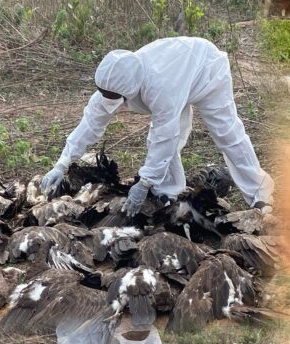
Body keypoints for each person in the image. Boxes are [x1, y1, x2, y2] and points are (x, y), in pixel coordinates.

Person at [41, 37, 274, 216]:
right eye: (105, 94)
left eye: (114, 96)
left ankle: (259, 195)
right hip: (178, 75)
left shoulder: (160, 88)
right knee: (160, 140)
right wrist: (62, 164)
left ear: (130, 90)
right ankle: (167, 192)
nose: (108, 99)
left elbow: (165, 135)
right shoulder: (113, 83)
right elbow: (90, 123)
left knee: (227, 134)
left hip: (206, 70)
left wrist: (144, 182)